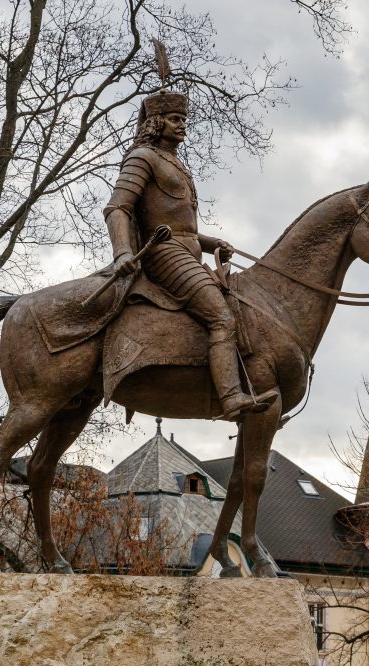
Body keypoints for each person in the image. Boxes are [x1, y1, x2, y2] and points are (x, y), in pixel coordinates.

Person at [103, 89, 277, 420]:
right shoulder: (143, 157)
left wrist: (213, 244)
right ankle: (231, 398)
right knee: (221, 316)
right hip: (163, 254)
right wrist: (122, 253)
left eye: (183, 119)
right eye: (174, 119)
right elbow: (117, 208)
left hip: (188, 252)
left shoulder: (178, 165)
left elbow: (185, 228)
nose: (182, 125)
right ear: (156, 123)